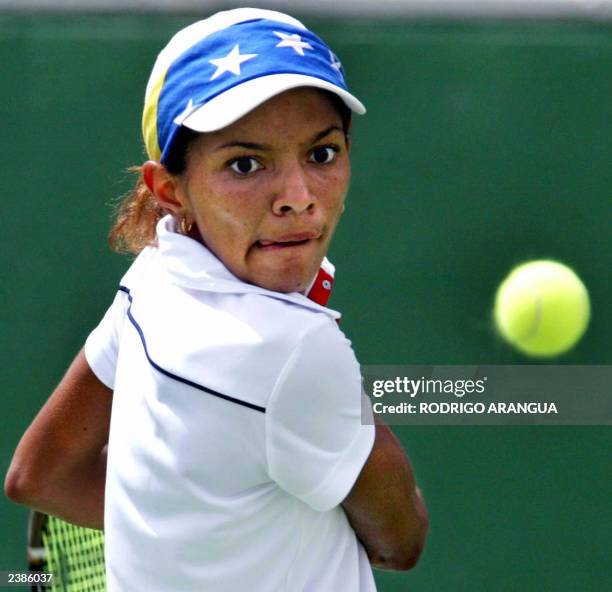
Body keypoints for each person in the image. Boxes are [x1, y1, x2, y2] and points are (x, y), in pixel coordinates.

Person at [5, 8, 428, 591]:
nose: (299, 198)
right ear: (170, 189)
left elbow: (39, 475)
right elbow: (401, 540)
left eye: (323, 153)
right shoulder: (298, 350)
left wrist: (202, 537)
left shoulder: (154, 276)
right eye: (245, 164)